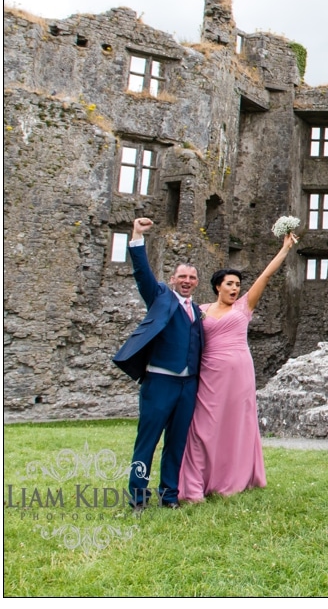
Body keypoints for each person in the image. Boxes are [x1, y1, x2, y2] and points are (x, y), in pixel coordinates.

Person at [179, 231, 299, 502]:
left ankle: (232, 479)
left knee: (236, 425)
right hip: (210, 373)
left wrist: (284, 250)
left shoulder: (244, 307)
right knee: (202, 426)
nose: (235, 288)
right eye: (229, 284)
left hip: (240, 374)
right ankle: (195, 484)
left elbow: (265, 277)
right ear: (217, 286)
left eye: (237, 284)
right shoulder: (200, 310)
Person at [112, 217, 204, 509]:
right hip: (160, 381)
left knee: (176, 443)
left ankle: (169, 495)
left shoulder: (199, 312)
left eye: (192, 278)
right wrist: (137, 236)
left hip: (188, 384)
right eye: (182, 277)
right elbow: (142, 274)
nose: (187, 281)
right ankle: (138, 496)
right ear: (173, 279)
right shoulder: (161, 297)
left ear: (196, 282)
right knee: (147, 441)